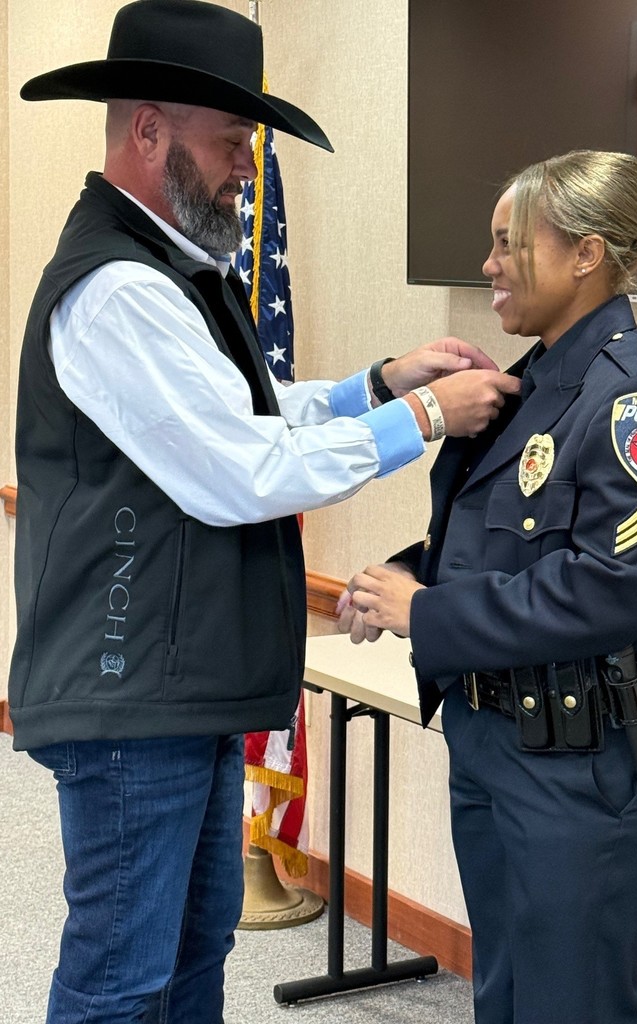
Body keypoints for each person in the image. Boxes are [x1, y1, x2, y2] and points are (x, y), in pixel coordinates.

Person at [8, 2, 521, 1022]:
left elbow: (236, 410)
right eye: (232, 140)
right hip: (130, 699)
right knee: (121, 980)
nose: (248, 164)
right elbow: (237, 468)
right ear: (149, 131)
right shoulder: (118, 288)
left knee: (193, 953)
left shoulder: (167, 272)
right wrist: (419, 416)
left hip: (175, 688)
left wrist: (372, 384)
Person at [339, 149, 637, 1024]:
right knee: (508, 993)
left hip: (587, 765)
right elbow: (506, 542)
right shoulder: (528, 385)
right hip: (498, 739)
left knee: (573, 1001)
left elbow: (616, 587)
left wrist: (431, 611)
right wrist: (411, 573)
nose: (487, 265)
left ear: (586, 255)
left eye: (507, 243)